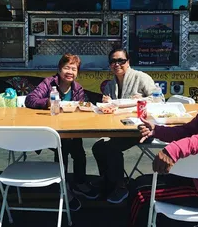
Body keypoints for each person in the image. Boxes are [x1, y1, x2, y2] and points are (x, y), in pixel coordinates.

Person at [130, 40, 198, 226]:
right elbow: (189, 129)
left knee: (140, 194)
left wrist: (175, 149)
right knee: (136, 184)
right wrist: (157, 130)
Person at [25, 53, 98, 211]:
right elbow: (30, 99)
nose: (70, 71)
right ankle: (64, 187)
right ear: (59, 69)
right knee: (65, 147)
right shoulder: (48, 83)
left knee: (78, 149)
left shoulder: (77, 88)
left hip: (70, 128)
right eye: (67, 67)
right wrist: (48, 102)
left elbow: (80, 106)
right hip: (49, 130)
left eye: (74, 68)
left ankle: (78, 183)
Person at [91, 48, 157, 204]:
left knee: (111, 147)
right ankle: (108, 180)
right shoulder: (110, 85)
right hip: (120, 128)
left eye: (121, 60)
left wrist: (141, 99)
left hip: (141, 129)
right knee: (97, 147)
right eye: (113, 61)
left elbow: (158, 98)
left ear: (128, 62)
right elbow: (110, 110)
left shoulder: (141, 77)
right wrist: (106, 103)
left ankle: (121, 186)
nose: (117, 64)